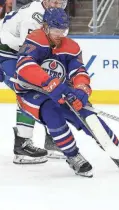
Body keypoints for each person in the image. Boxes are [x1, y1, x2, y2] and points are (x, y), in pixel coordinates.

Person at [13, 8, 119, 177]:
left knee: (87, 114)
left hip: (59, 90)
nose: (60, 34)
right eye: (56, 30)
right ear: (45, 27)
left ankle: (115, 150)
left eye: (63, 30)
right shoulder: (35, 40)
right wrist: (50, 83)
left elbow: (79, 72)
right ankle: (73, 156)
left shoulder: (71, 46)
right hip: (31, 92)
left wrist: (82, 90)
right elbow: (24, 67)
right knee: (52, 114)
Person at [0, 0, 68, 164]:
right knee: (29, 91)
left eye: (61, 1)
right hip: (6, 55)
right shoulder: (33, 17)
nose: (56, 3)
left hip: (18, 54)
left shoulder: (56, 14)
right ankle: (22, 145)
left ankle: (53, 140)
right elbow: (29, 51)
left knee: (50, 89)